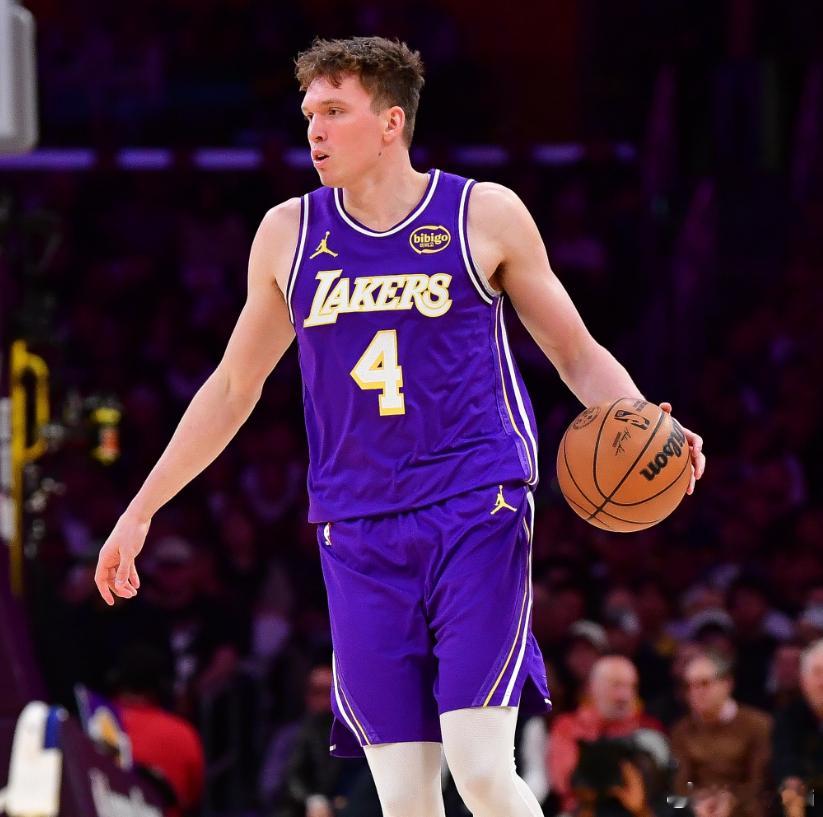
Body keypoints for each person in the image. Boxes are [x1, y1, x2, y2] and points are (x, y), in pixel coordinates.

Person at [94, 36, 705, 817]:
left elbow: (575, 353)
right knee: (404, 800)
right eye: (309, 113)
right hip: (356, 525)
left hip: (474, 506)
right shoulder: (288, 233)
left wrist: (647, 420)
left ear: (390, 122)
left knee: (480, 769)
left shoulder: (481, 213)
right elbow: (233, 387)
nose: (314, 130)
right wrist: (141, 508)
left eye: (333, 111)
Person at [548, 655, 666, 814]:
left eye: (631, 687)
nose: (625, 696)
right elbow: (563, 782)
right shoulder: (568, 727)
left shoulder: (649, 729)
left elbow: (663, 788)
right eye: (616, 685)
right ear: (592, 688)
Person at [670, 651, 772, 817]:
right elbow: (680, 784)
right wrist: (697, 802)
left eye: (704, 684)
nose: (696, 692)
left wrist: (732, 801)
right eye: (690, 686)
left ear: (727, 683)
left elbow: (760, 782)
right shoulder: (681, 730)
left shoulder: (758, 725)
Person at [773, 639, 823, 816]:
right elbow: (788, 773)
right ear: (803, 680)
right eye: (817, 673)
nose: (822, 681)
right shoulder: (788, 718)